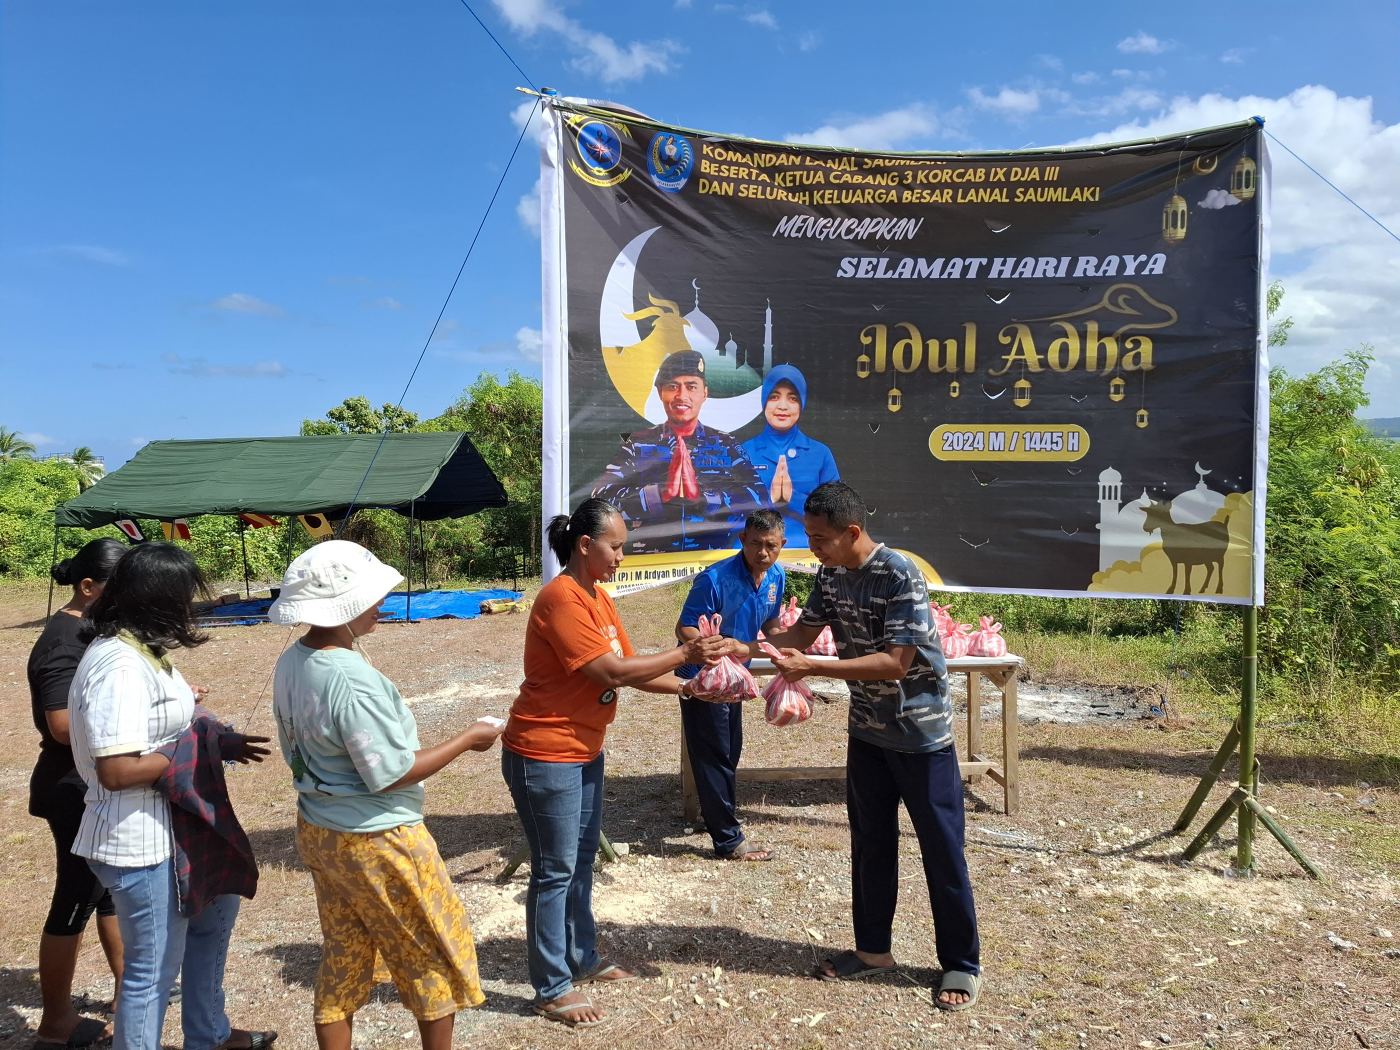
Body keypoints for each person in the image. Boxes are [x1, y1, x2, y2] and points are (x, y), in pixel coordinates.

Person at [729, 481, 982, 1011]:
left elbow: (895, 663)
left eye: (820, 538)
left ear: (852, 531)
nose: (813, 547)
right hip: (867, 732)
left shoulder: (899, 574)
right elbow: (800, 637)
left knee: (941, 848)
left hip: (921, 738)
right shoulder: (831, 573)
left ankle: (960, 962)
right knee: (870, 842)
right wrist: (745, 645)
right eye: (810, 536)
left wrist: (816, 666)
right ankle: (873, 952)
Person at [502, 498, 732, 1028]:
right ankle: (551, 987)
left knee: (581, 862)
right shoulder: (561, 598)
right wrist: (686, 656)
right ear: (586, 546)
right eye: (615, 546)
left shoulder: (598, 598)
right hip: (545, 753)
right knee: (554, 871)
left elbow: (631, 670)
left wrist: (694, 689)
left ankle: (581, 958)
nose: (621, 557)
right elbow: (608, 673)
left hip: (583, 750)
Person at [268, 541, 501, 1050]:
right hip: (378, 838)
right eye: (373, 598)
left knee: (345, 951)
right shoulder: (350, 680)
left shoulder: (293, 660)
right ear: (345, 607)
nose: (381, 605)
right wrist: (467, 738)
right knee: (429, 953)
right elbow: (391, 773)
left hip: (321, 828)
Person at [67, 542, 275, 1050]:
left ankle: (209, 1035)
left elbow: (171, 728)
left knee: (213, 921)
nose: (191, 607)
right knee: (152, 974)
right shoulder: (118, 665)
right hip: (139, 840)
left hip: (178, 826)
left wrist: (213, 739)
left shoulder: (146, 651)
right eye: (184, 597)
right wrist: (194, 751)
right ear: (158, 599)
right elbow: (116, 770)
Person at [28, 539, 128, 1048]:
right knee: (75, 895)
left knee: (108, 890)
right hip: (70, 787)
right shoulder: (64, 640)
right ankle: (55, 1023)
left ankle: (127, 992)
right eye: (120, 587)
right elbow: (63, 725)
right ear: (87, 588)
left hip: (86, 781)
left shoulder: (89, 629)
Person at [674, 508, 786, 861]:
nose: (763, 553)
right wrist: (715, 654)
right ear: (742, 540)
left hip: (736, 681)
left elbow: (771, 623)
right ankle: (728, 839)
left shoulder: (775, 577)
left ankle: (715, 814)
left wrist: (789, 645)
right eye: (756, 544)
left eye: (771, 545)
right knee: (714, 755)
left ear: (782, 545)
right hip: (704, 680)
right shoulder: (714, 579)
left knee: (730, 750)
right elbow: (686, 627)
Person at [593, 350, 768, 554]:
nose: (682, 396)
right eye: (672, 386)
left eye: (691, 386)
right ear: (660, 393)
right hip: (651, 566)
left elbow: (760, 500)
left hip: (713, 562)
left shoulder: (725, 445)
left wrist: (706, 499)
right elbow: (601, 501)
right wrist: (657, 496)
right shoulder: (637, 444)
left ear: (705, 393)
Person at [740, 364, 840, 549]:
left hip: (809, 554)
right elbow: (731, 512)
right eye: (774, 397)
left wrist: (791, 499)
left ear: (802, 403)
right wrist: (769, 500)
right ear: (764, 401)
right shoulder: (743, 452)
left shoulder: (820, 454)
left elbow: (835, 514)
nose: (783, 406)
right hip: (755, 553)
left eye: (792, 398)